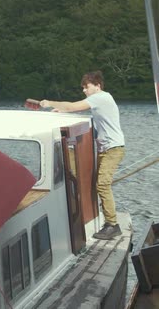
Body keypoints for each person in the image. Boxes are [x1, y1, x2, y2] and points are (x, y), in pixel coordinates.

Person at [40, 70, 125, 240]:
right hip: (106, 149)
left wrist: (49, 103)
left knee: (102, 185)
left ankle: (112, 225)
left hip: (113, 149)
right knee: (98, 184)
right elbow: (75, 110)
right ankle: (105, 219)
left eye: (86, 87)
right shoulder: (100, 100)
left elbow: (73, 106)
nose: (84, 90)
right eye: (83, 88)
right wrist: (63, 111)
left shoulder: (101, 97)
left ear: (97, 86)